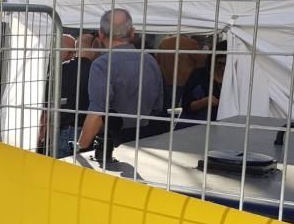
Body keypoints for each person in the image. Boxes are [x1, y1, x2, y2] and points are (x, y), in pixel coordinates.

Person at [77, 8, 165, 155]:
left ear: (100, 34)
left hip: (113, 145)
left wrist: (80, 147)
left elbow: (97, 113)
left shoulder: (102, 65)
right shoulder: (150, 61)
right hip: (149, 142)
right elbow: (158, 106)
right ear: (132, 33)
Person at [40, 34, 93, 158]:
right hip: (68, 132)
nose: (72, 56)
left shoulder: (62, 70)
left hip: (64, 131)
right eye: (70, 52)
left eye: (73, 52)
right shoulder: (43, 68)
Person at [181, 40, 227, 122]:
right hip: (200, 126)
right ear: (212, 60)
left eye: (226, 64)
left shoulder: (235, 78)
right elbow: (186, 105)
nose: (223, 68)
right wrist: (204, 102)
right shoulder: (199, 75)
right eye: (220, 63)